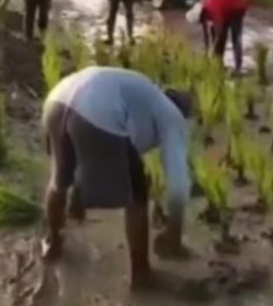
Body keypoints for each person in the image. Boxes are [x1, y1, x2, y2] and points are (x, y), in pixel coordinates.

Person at [40, 66, 192, 288]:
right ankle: (141, 274)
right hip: (96, 106)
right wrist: (174, 233)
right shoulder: (173, 115)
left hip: (57, 99)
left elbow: (91, 150)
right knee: (137, 192)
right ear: (183, 110)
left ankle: (53, 244)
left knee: (59, 179)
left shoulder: (144, 97)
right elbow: (178, 184)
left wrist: (78, 197)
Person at [185, 0, 249, 74]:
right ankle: (218, 64)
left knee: (235, 37)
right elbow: (206, 34)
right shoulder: (204, 10)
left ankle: (238, 67)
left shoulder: (212, 8)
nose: (202, 21)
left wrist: (214, 49)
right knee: (214, 32)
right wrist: (207, 52)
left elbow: (220, 31)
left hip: (237, 4)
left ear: (202, 14)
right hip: (226, 6)